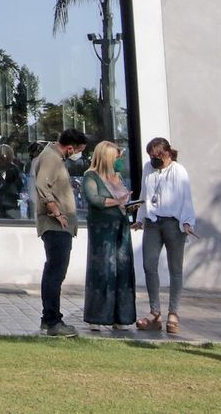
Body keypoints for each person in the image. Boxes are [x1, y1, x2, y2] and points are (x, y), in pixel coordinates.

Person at [134, 136, 196, 335]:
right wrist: (140, 218)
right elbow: (145, 194)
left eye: (157, 156)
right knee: (149, 265)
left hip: (173, 223)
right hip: (153, 222)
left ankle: (173, 313)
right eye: (151, 156)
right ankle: (155, 312)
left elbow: (186, 197)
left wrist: (187, 221)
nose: (154, 160)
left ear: (167, 153)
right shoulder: (148, 169)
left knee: (175, 268)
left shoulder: (178, 171)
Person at [34, 128, 88, 337]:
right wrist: (56, 212)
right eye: (79, 151)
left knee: (55, 272)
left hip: (59, 225)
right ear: (70, 147)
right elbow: (42, 185)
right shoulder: (51, 158)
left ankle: (49, 319)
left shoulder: (54, 158)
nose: (78, 155)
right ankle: (53, 320)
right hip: (55, 225)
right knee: (55, 273)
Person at [81, 141, 136, 331]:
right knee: (103, 270)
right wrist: (117, 201)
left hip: (121, 227)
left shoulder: (117, 177)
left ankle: (121, 316)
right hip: (102, 231)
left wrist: (128, 205)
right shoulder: (91, 176)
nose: (119, 160)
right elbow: (94, 199)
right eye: (116, 157)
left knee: (122, 270)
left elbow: (122, 201)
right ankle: (97, 316)